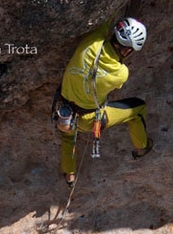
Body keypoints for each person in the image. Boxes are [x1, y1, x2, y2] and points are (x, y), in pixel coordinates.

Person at [57, 16, 152, 186]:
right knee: (137, 110)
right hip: (90, 120)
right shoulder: (120, 73)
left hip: (62, 110)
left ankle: (69, 175)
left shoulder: (92, 42)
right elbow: (114, 88)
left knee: (68, 136)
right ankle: (141, 147)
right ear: (128, 51)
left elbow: (106, 16)